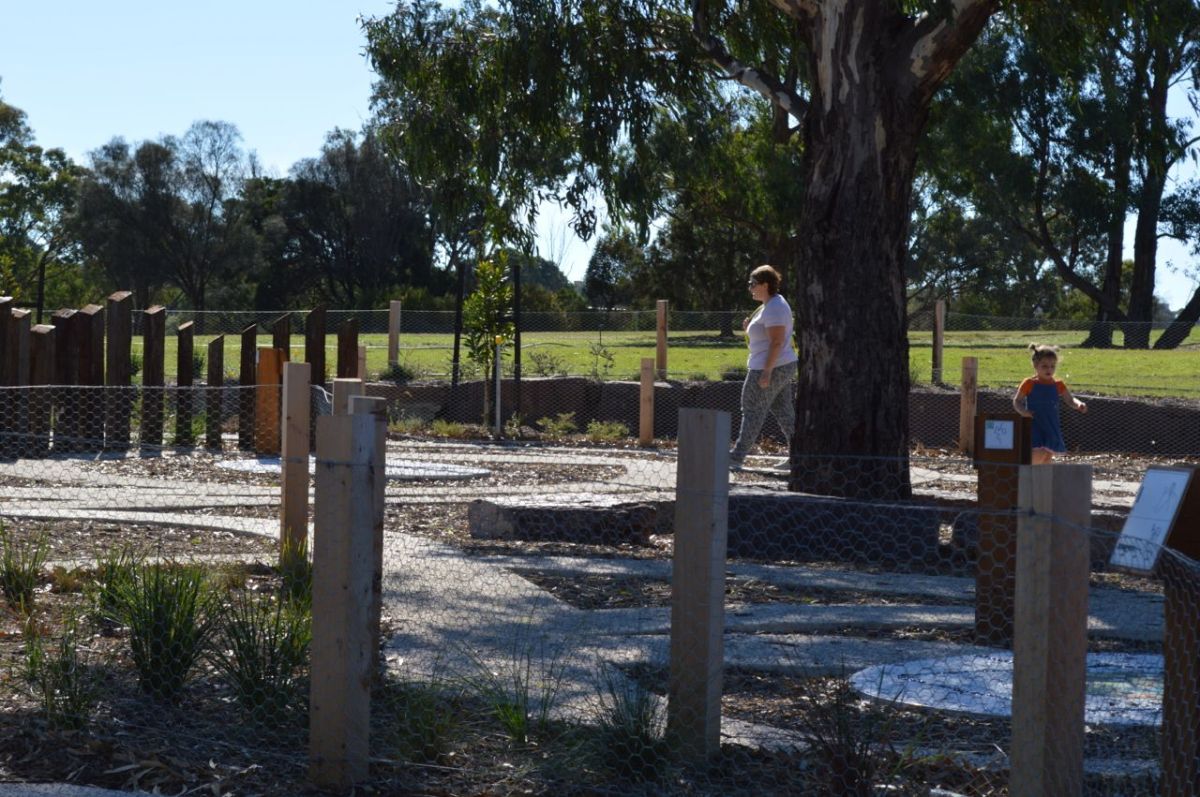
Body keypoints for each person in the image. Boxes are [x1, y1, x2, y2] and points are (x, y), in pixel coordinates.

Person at [730, 265, 798, 471]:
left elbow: (777, 342)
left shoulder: (775, 307)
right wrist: (749, 329)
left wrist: (767, 372)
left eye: (753, 284)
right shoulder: (770, 305)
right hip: (780, 365)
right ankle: (799, 457)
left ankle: (736, 458)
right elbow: (767, 337)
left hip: (769, 367)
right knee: (784, 412)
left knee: (751, 409)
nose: (750, 288)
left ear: (765, 285)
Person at [1012, 343, 1087, 464]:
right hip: (1035, 424)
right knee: (1037, 454)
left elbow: (1070, 399)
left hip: (1051, 425)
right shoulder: (1029, 383)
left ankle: (1040, 476)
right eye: (1045, 366)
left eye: (1052, 366)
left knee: (1047, 457)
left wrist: (1079, 404)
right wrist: (1024, 412)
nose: (1049, 369)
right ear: (1035, 365)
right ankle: (1025, 473)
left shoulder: (1058, 384)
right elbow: (1017, 401)